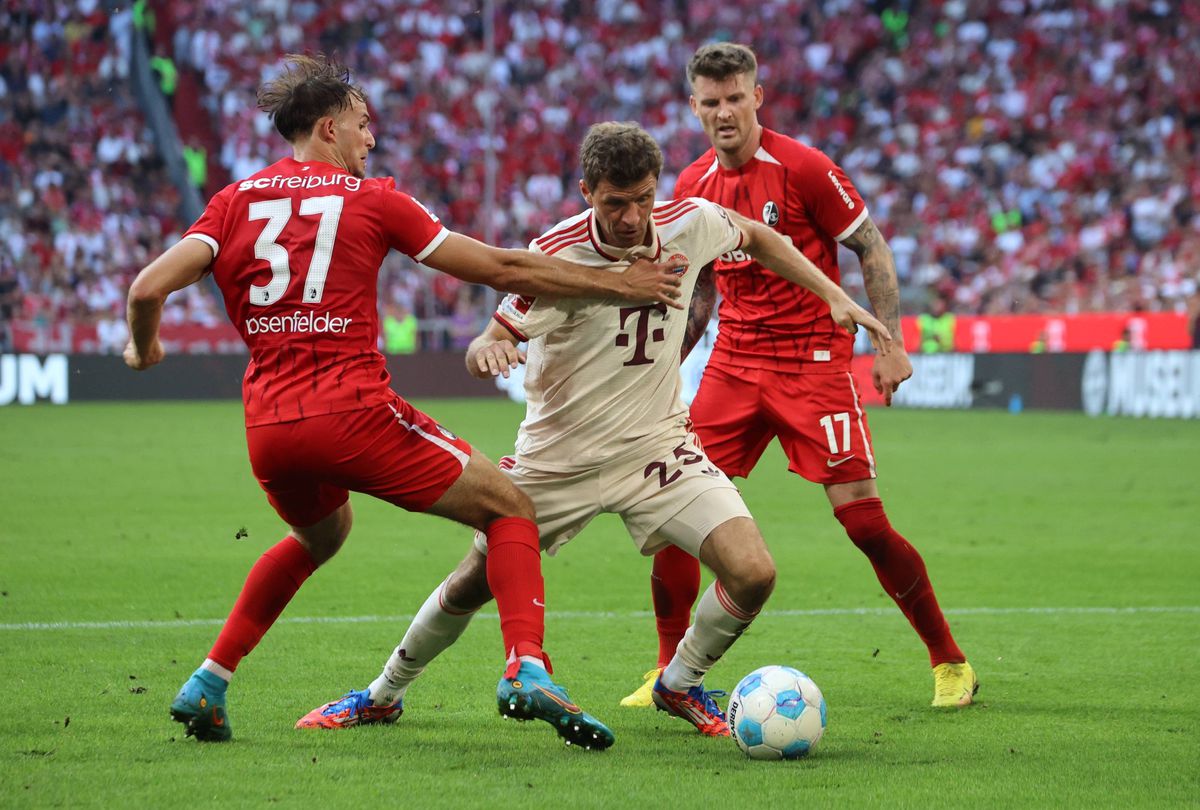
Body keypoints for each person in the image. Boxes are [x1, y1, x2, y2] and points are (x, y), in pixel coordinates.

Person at [123, 54, 687, 747]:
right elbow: (502, 268)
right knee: (511, 507)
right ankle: (526, 668)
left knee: (319, 536)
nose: (373, 139)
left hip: (268, 425)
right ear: (328, 128)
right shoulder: (373, 198)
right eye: (363, 125)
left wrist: (144, 348)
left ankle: (209, 681)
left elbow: (146, 289)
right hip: (354, 411)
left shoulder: (233, 202)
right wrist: (623, 286)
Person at [296, 122, 891, 739]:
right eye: (615, 203)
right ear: (586, 191)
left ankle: (679, 683)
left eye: (643, 198)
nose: (634, 217)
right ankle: (381, 693)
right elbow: (492, 337)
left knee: (753, 572)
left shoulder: (688, 221)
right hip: (558, 459)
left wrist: (831, 294)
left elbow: (761, 236)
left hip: (657, 448)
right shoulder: (554, 253)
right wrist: (489, 351)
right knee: (473, 584)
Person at [620, 43, 978, 711]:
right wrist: (667, 363)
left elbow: (869, 245)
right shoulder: (693, 185)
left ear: (757, 97)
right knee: (674, 516)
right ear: (693, 108)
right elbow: (699, 291)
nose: (724, 112)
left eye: (734, 98)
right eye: (710, 101)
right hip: (732, 363)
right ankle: (668, 672)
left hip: (814, 362)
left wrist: (891, 344)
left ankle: (949, 660)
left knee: (865, 523)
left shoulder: (806, 167)